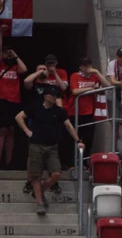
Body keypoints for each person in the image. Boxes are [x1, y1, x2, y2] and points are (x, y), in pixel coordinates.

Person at [15, 86, 82, 215]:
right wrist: (27, 131)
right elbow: (19, 117)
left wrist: (78, 140)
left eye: (56, 96)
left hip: (52, 146)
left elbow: (68, 126)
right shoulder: (35, 108)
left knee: (56, 173)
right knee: (36, 175)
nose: (55, 98)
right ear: (46, 96)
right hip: (36, 145)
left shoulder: (59, 111)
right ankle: (40, 203)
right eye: (53, 95)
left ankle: (39, 191)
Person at [0, 31, 27, 169]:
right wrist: (0, 33)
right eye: (5, 52)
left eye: (9, 52)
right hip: (1, 100)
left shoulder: (15, 67)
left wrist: (16, 55)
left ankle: (9, 162)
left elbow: (24, 70)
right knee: (2, 131)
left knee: (12, 131)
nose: (7, 54)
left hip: (15, 101)